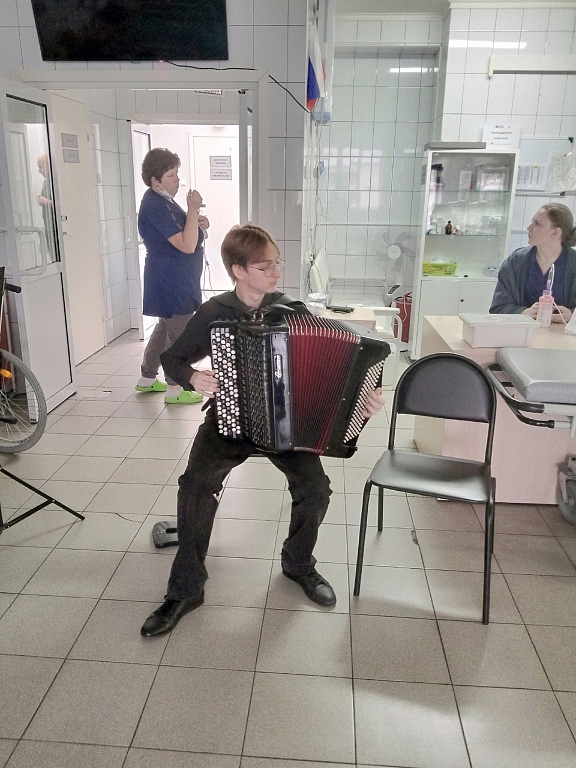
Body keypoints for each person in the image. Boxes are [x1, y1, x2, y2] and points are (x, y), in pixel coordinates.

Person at [140, 224, 384, 637]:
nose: (276, 273)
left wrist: (366, 399)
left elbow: (337, 371)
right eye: (264, 266)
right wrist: (193, 377)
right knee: (195, 486)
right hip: (230, 420)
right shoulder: (215, 313)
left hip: (286, 426)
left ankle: (298, 564)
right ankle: (186, 589)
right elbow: (172, 359)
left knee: (316, 489)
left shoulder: (291, 310)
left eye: (277, 263)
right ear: (238, 270)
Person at [135, 148, 210, 404]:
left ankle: (146, 378)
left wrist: (199, 222)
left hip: (175, 278)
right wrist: (193, 208)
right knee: (180, 334)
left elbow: (186, 232)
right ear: (156, 180)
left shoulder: (164, 200)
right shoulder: (156, 205)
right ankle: (175, 388)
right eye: (171, 175)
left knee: (164, 328)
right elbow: (186, 245)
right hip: (171, 280)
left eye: (177, 174)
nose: (177, 180)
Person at [490, 203, 576, 322]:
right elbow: (497, 308)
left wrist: (572, 315)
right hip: (521, 331)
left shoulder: (573, 264)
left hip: (562, 333)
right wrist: (522, 312)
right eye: (532, 222)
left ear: (555, 232)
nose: (529, 228)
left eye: (537, 223)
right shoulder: (515, 262)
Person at [36, 154, 57, 258]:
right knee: (53, 255)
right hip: (49, 227)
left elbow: (66, 205)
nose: (39, 171)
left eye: (40, 167)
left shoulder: (58, 182)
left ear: (48, 165)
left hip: (57, 227)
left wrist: (47, 202)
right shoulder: (46, 182)